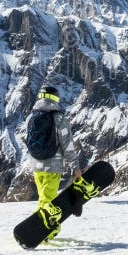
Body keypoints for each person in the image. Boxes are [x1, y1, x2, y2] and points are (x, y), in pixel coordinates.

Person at [26, 85, 86, 241]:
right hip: (52, 166)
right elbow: (68, 146)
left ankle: (37, 226)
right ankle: (47, 230)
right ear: (56, 98)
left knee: (44, 198)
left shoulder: (32, 117)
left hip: (35, 166)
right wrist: (75, 168)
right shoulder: (58, 118)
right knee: (49, 200)